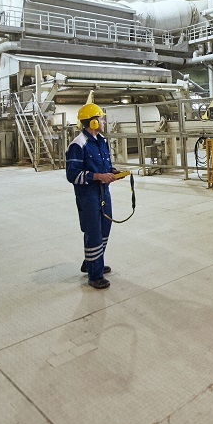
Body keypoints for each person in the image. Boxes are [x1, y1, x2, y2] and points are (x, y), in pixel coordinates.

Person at [66, 102, 119, 289]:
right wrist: (98, 176)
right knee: (94, 232)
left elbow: (103, 165)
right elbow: (72, 175)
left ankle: (92, 262)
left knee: (105, 228)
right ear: (93, 122)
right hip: (88, 196)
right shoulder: (78, 144)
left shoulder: (101, 140)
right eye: (101, 119)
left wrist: (111, 172)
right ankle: (95, 275)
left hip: (104, 192)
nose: (103, 121)